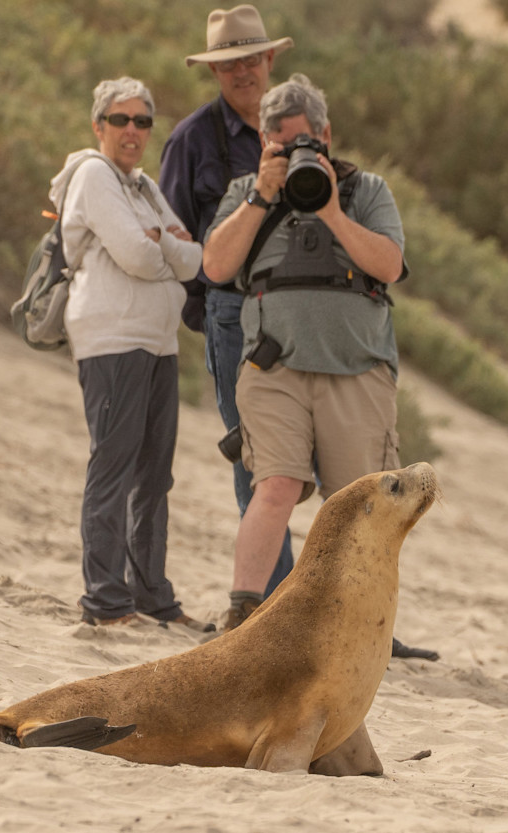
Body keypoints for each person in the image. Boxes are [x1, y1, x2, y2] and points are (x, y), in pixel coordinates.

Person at [202, 74, 437, 659]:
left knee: (362, 504)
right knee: (275, 487)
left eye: (303, 142)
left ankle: (361, 624)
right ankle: (243, 613)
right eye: (279, 145)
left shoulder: (367, 190)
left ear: (326, 135)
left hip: (357, 369)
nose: (293, 155)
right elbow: (216, 266)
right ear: (263, 142)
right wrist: (262, 195)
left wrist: (330, 209)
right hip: (274, 368)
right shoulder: (245, 192)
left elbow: (388, 265)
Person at [53, 76, 210, 631]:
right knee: (114, 468)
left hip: (158, 342)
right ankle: (105, 599)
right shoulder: (94, 175)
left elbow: (194, 260)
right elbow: (139, 257)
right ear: (99, 125)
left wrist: (160, 242)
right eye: (120, 119)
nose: (132, 131)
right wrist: (166, 245)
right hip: (113, 338)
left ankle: (152, 596)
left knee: (154, 475)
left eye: (142, 121)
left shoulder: (142, 185)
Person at [160, 4, 297, 598]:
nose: (242, 72)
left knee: (322, 463)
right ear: (214, 72)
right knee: (258, 462)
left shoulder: (297, 129)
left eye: (250, 60)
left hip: (301, 316)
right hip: (234, 320)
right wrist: (207, 315)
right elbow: (172, 238)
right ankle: (275, 605)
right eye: (229, 65)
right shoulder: (191, 140)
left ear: (269, 60)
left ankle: (328, 611)